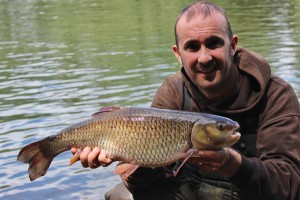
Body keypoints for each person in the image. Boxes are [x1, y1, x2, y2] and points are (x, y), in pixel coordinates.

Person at [71, 1, 300, 199]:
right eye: (192, 47)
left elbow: (289, 188)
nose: (204, 57)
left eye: (214, 43)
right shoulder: (173, 91)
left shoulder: (276, 95)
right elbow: (152, 182)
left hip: (253, 192)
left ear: (232, 45)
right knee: (119, 194)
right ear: (177, 53)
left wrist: (235, 165)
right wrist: (128, 157)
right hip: (192, 190)